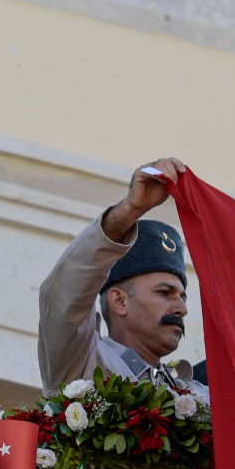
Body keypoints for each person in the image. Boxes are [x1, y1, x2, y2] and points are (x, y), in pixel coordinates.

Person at [37, 158, 208, 403]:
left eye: (182, 296)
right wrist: (130, 210)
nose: (181, 308)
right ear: (119, 300)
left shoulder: (197, 395)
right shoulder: (83, 361)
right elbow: (64, 292)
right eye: (164, 292)